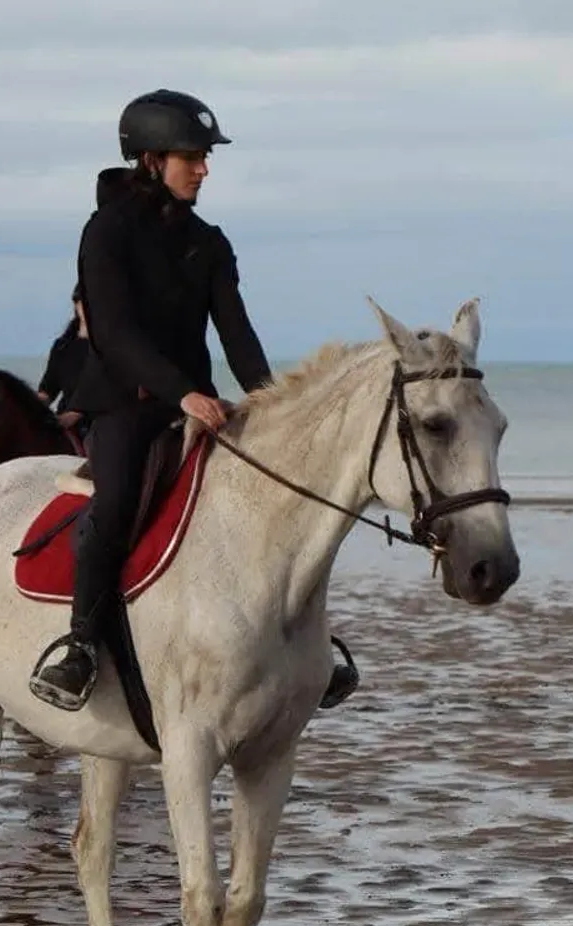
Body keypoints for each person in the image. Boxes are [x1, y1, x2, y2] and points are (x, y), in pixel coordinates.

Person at [29, 90, 359, 712]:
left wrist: (270, 403)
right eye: (192, 157)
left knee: (272, 500)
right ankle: (80, 645)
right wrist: (182, 392)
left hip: (195, 404)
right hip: (123, 403)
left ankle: (301, 640)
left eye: (206, 158)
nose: (204, 169)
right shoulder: (107, 232)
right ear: (151, 159)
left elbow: (237, 333)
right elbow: (114, 334)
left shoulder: (208, 242)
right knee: (116, 504)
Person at [37, 284, 90, 440]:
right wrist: (30, 404)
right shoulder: (63, 346)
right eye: (84, 301)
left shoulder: (108, 346)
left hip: (96, 422)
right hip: (64, 420)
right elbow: (48, 388)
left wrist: (78, 413)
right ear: (76, 304)